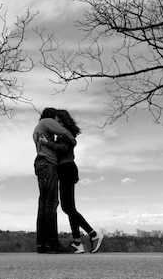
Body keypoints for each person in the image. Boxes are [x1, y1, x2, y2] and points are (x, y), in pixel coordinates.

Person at [39, 109, 104, 254]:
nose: (57, 124)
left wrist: (47, 143)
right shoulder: (63, 134)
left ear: (64, 121)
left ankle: (93, 234)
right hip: (64, 170)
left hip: (67, 169)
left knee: (68, 207)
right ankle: (77, 242)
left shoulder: (66, 134)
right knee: (69, 207)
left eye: (59, 121)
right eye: (56, 121)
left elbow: (62, 149)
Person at [32, 107, 75, 254]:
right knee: (51, 203)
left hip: (40, 165)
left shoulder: (38, 127)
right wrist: (72, 140)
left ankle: (41, 244)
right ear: (51, 116)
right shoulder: (47, 121)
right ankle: (52, 244)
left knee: (43, 204)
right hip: (48, 164)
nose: (56, 120)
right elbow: (65, 133)